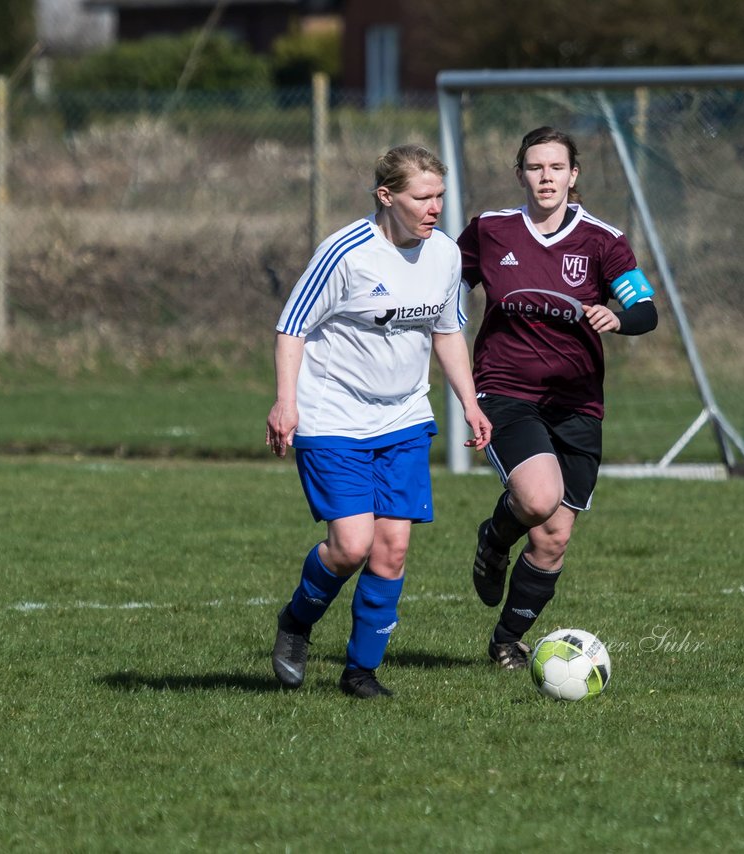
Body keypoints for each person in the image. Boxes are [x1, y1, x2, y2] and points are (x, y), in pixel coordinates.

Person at [266, 143, 491, 699]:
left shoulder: (444, 255)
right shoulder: (345, 253)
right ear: (386, 196)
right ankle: (296, 623)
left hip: (404, 416)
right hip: (333, 412)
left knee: (392, 547)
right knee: (351, 545)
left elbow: (447, 332)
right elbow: (292, 326)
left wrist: (470, 401)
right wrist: (285, 403)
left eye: (440, 196)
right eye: (423, 197)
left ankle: (360, 672)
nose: (435, 207)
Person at [456, 126, 658, 671]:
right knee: (539, 498)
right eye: (534, 167)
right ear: (520, 172)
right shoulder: (490, 231)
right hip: (506, 389)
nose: (545, 178)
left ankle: (507, 640)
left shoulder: (602, 240)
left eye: (555, 168)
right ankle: (495, 539)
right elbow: (445, 292)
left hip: (577, 402)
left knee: (554, 536)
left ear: (574, 175)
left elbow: (646, 307)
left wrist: (618, 315)